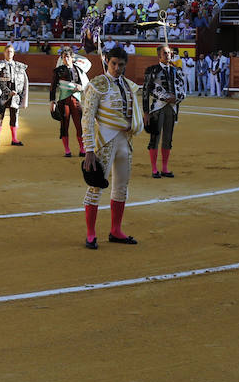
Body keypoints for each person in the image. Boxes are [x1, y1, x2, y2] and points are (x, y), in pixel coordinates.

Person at [80, 45, 143, 249]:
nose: (117, 68)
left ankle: (116, 230)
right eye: (114, 63)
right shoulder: (97, 84)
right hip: (104, 142)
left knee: (121, 188)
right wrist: (89, 149)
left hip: (125, 141)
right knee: (96, 186)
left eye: (121, 65)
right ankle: (91, 234)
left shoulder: (128, 86)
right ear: (107, 61)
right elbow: (88, 118)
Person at [141, 45, 187, 178]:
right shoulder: (152, 70)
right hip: (157, 108)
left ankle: (165, 168)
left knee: (168, 138)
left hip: (172, 108)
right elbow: (145, 91)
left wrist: (176, 98)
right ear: (159, 56)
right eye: (165, 53)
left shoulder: (176, 71)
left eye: (169, 53)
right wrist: (146, 112)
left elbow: (182, 89)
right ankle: (154, 169)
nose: (168, 55)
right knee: (155, 137)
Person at [50, 47, 91, 157]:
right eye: (63, 57)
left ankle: (82, 149)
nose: (65, 59)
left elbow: (84, 85)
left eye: (67, 57)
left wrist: (80, 87)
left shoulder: (78, 70)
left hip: (76, 100)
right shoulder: (58, 70)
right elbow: (53, 87)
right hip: (64, 101)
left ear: (72, 58)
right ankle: (67, 150)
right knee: (64, 125)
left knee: (80, 125)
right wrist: (52, 101)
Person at [0, 43, 30, 147]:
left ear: (13, 53)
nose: (9, 53)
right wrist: (8, 92)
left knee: (14, 117)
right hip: (2, 95)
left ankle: (14, 139)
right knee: (0, 116)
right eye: (7, 51)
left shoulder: (19, 66)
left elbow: (23, 81)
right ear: (4, 53)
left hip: (15, 96)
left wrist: (19, 94)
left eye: (11, 52)